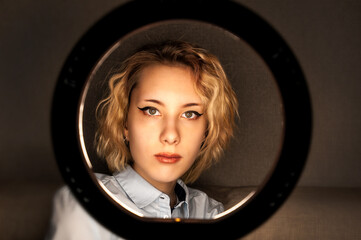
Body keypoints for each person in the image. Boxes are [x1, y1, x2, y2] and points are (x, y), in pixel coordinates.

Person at [47, 40, 238, 239]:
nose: (171, 136)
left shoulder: (210, 212)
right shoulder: (83, 203)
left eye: (189, 114)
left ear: (206, 132)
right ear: (124, 123)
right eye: (152, 111)